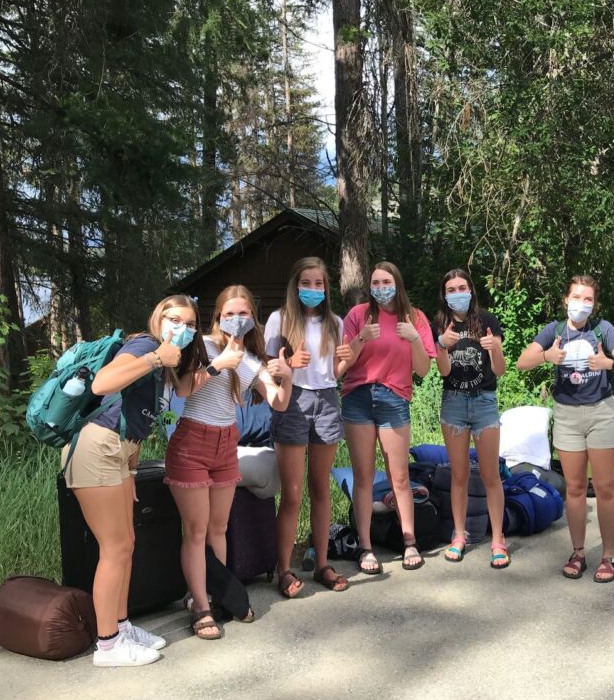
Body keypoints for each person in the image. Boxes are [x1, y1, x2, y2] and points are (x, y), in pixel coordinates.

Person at [64, 294, 203, 667]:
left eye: (190, 324)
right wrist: (157, 357)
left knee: (126, 543)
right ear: (159, 319)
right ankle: (107, 645)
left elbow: (135, 421)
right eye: (176, 320)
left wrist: (130, 472)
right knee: (115, 548)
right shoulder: (145, 345)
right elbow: (103, 384)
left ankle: (122, 626)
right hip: (97, 447)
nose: (183, 329)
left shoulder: (162, 363)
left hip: (120, 452)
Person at [166, 285, 292, 639]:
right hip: (192, 441)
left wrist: (287, 375)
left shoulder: (251, 361)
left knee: (218, 529)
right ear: (218, 316)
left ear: (253, 319)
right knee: (195, 530)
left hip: (226, 445)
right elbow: (183, 389)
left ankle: (220, 595)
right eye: (230, 314)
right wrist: (219, 365)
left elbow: (279, 402)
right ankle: (200, 606)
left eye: (244, 314)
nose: (237, 320)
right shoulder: (200, 346)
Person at [516, 275, 614, 583]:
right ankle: (578, 552)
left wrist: (606, 363)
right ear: (565, 300)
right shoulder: (554, 331)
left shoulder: (604, 330)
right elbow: (521, 362)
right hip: (567, 416)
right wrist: (546, 355)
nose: (581, 304)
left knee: (606, 487)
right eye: (576, 297)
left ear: (594, 305)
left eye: (588, 299)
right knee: (574, 488)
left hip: (602, 414)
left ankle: (608, 556)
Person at [339, 262, 436, 574]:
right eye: (376, 282)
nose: (381, 287)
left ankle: (410, 541)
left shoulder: (415, 317)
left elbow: (423, 370)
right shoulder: (358, 316)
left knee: (400, 477)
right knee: (364, 477)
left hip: (394, 399)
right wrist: (361, 338)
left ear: (397, 283)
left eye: (387, 281)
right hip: (358, 399)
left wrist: (415, 340)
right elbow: (342, 363)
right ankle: (366, 548)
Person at [264, 257, 353, 597]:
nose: (313, 289)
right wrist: (289, 363)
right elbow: (270, 368)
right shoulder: (280, 319)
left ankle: (322, 564)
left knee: (321, 490)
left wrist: (350, 355)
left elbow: (334, 371)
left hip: (328, 401)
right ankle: (283, 569)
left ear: (326, 289)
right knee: (293, 494)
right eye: (307, 283)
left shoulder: (335, 322)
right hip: (293, 402)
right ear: (295, 285)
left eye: (319, 284)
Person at [433, 269, 510, 568]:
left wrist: (496, 349)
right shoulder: (440, 323)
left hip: (485, 402)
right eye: (451, 289)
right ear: (445, 294)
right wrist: (442, 345)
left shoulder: (487, 321)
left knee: (491, 475)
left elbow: (500, 370)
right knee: (459, 475)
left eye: (462, 287)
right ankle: (459, 535)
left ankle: (497, 540)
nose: (457, 293)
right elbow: (444, 372)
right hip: (453, 403)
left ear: (471, 290)